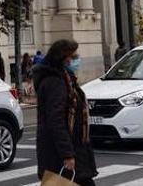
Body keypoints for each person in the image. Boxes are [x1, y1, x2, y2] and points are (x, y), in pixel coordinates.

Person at [33, 39, 97, 186]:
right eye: (73, 57)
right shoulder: (55, 83)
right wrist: (67, 154)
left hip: (71, 148)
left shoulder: (65, 79)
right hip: (60, 154)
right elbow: (56, 122)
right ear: (63, 58)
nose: (77, 60)